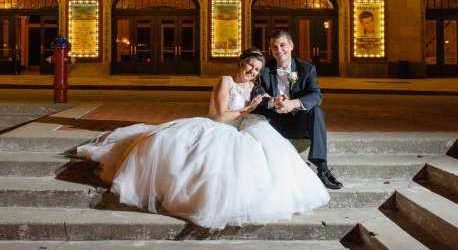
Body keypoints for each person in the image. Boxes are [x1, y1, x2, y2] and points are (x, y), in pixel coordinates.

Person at [75, 48, 330, 229]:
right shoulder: (225, 81)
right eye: (249, 66)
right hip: (218, 127)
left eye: (257, 69)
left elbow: (263, 103)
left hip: (244, 126)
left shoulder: (255, 87)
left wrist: (276, 101)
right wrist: (246, 109)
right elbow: (219, 116)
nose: (252, 71)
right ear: (240, 63)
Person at [254, 30, 343, 190]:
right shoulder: (264, 69)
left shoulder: (305, 68)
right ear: (271, 50)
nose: (279, 50)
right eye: (275, 47)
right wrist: (273, 103)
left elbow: (317, 96)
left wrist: (294, 103)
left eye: (283, 45)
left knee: (316, 112)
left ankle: (322, 169)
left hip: (297, 123)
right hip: (273, 124)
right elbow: (258, 96)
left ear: (291, 46)